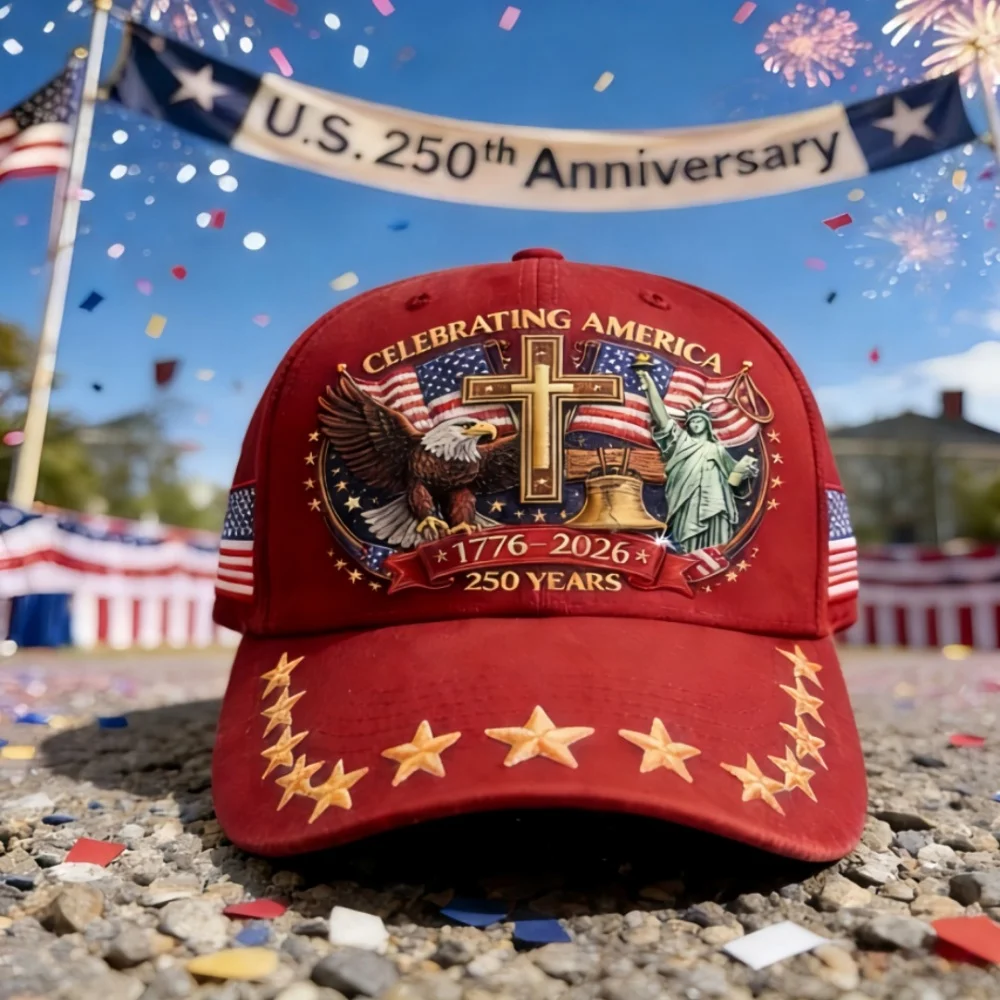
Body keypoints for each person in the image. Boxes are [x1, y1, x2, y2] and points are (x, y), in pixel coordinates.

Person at [635, 366, 758, 554]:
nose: (696, 423)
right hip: (686, 501)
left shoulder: (716, 449)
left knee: (715, 548)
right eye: (692, 421)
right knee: (686, 543)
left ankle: (712, 572)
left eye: (700, 420)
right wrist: (650, 387)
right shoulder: (680, 441)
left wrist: (744, 470)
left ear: (707, 425)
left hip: (716, 504)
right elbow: (661, 418)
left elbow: (734, 482)